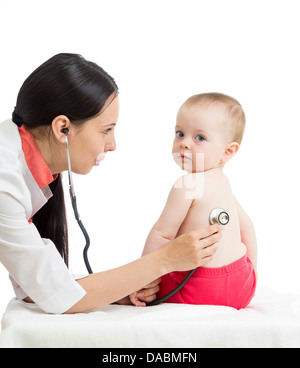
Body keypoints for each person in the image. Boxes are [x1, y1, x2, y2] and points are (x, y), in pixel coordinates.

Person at [0, 54, 222, 314]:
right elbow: (57, 296)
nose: (113, 145)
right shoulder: (5, 180)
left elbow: (36, 286)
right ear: (63, 129)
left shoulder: (26, 157)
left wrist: (117, 288)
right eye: (106, 130)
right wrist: (166, 259)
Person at [130, 93, 257, 309]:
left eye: (199, 138)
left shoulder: (187, 184)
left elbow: (163, 234)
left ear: (227, 152)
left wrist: (141, 279)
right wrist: (251, 273)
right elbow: (248, 228)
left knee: (163, 277)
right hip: (241, 285)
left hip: (199, 289)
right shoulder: (223, 183)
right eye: (180, 133)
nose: (184, 144)